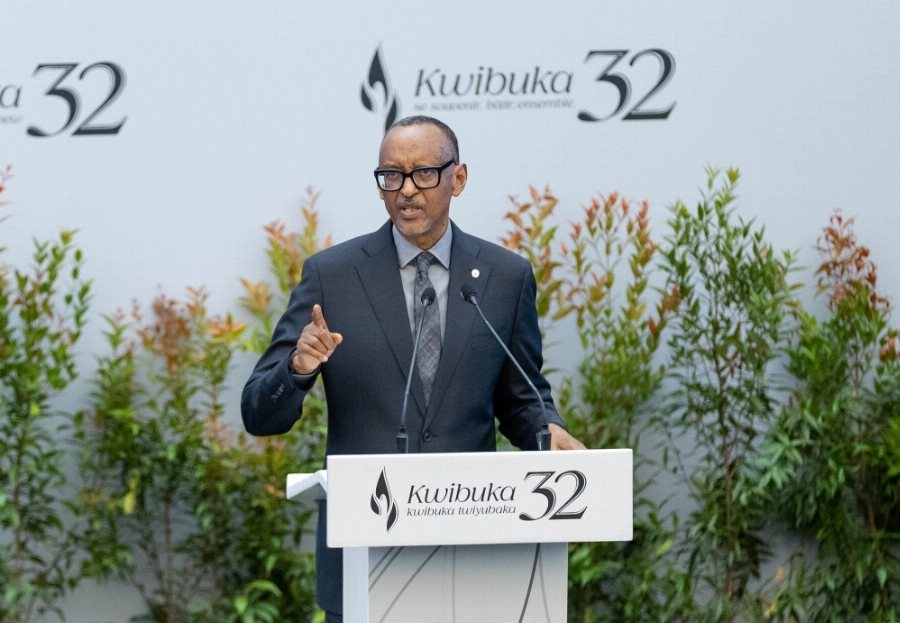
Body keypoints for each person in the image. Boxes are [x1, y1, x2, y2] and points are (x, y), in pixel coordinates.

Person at [241, 115, 585, 622]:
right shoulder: (332, 276)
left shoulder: (504, 277)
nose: (406, 191)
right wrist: (297, 367)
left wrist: (545, 429)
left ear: (458, 178)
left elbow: (521, 397)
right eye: (391, 176)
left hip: (473, 556)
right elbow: (257, 413)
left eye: (424, 173)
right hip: (364, 556)